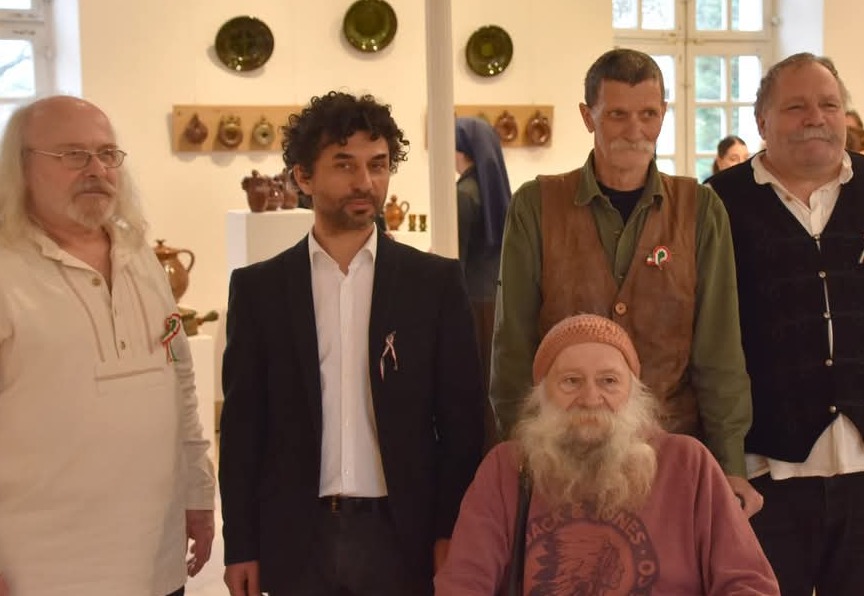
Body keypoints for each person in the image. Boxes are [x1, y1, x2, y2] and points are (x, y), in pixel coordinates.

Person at [219, 91, 485, 596]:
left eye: (378, 164)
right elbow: (242, 429)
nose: (365, 181)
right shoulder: (259, 290)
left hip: (402, 536)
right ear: (303, 177)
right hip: (298, 537)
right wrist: (241, 544)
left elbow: (461, 422)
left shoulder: (433, 284)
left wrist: (452, 530)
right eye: (344, 165)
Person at [489, 48, 760, 513]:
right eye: (617, 115)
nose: (635, 130)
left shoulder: (700, 209)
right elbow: (513, 345)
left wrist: (729, 463)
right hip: (561, 459)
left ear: (663, 115)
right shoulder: (536, 205)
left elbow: (718, 349)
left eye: (648, 114)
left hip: (673, 455)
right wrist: (517, 454)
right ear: (587, 116)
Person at [0, 96, 215, 595]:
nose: (96, 169)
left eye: (106, 154)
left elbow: (180, 384)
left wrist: (199, 492)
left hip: (155, 562)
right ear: (21, 167)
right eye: (73, 154)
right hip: (42, 571)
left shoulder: (140, 255)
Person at [436, 314, 780, 595]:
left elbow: (751, 585)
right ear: (542, 394)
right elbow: (462, 585)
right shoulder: (507, 467)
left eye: (609, 381)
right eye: (571, 381)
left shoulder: (688, 463)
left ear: (634, 393)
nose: (590, 398)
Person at [708, 52, 864, 596]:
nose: (815, 118)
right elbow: (705, 340)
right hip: (765, 474)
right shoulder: (717, 205)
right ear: (762, 121)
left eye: (829, 105)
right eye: (796, 107)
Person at [455, 116, 512, 448]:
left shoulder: (465, 193)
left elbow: (457, 261)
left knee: (474, 384)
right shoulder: (492, 189)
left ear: (462, 150)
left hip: (474, 304)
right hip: (495, 299)